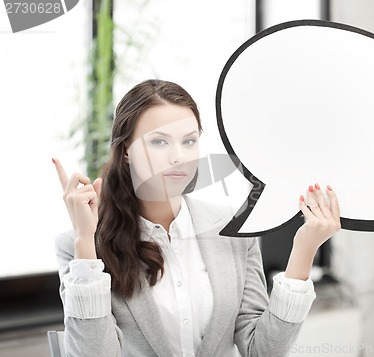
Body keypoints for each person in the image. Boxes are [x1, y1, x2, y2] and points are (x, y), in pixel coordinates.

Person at [53, 79, 341, 357]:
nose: (178, 157)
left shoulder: (232, 230)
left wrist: (305, 247)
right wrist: (85, 244)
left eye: (189, 141)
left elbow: (263, 351)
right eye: (159, 142)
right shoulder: (79, 245)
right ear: (126, 150)